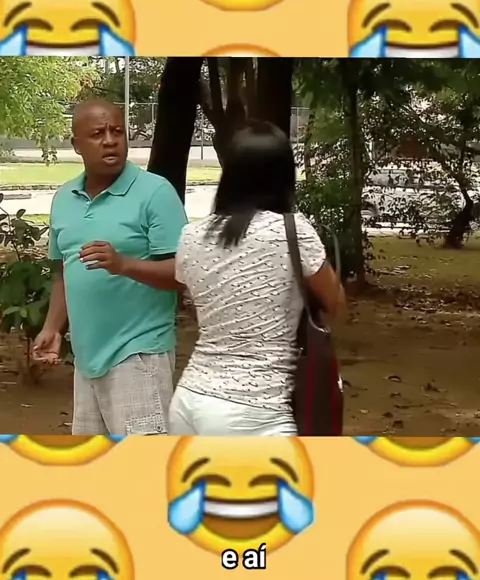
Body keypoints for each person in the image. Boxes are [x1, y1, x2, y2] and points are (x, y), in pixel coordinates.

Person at [168, 120, 345, 436]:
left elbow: (201, 306)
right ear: (284, 176)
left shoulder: (191, 236)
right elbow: (335, 303)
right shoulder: (292, 231)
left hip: (188, 400)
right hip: (252, 410)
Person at [33, 98, 187, 436]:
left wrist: (124, 264)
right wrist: (53, 328)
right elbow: (65, 272)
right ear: (76, 144)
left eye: (117, 131)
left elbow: (184, 272)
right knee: (93, 462)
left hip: (139, 355)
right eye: (97, 134)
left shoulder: (156, 192)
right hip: (87, 360)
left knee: (140, 464)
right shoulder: (64, 198)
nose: (110, 140)